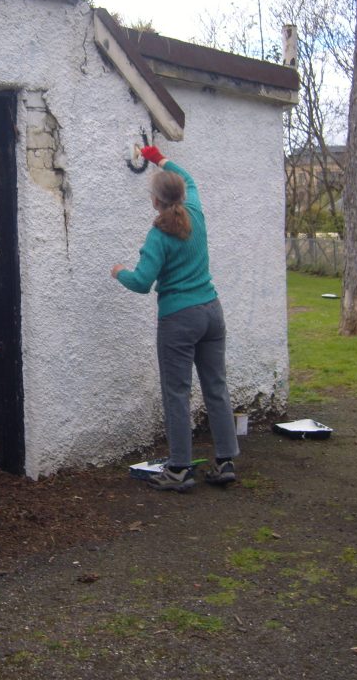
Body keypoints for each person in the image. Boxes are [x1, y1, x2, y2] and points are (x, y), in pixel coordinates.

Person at [111, 145, 239, 492]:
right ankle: (225, 460)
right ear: (181, 193)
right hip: (212, 311)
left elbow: (141, 283)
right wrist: (157, 156)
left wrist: (119, 271)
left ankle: (180, 469)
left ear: (155, 201)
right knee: (216, 387)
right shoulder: (195, 208)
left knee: (177, 393)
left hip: (179, 319)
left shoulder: (159, 235)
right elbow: (188, 176)